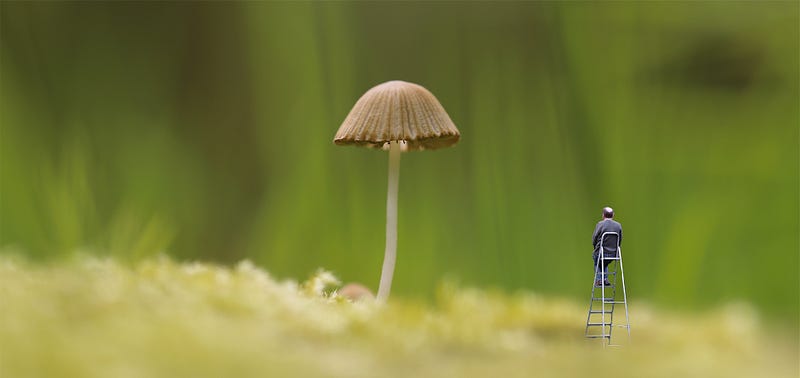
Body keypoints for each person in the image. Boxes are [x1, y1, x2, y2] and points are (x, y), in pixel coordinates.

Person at [592, 207, 623, 286]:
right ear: (613, 215)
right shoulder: (618, 225)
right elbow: (620, 240)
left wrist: (595, 247)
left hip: (601, 252)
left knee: (597, 260)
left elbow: (594, 238)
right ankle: (605, 279)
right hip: (613, 254)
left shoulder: (600, 224)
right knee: (604, 263)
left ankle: (599, 280)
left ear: (603, 215)